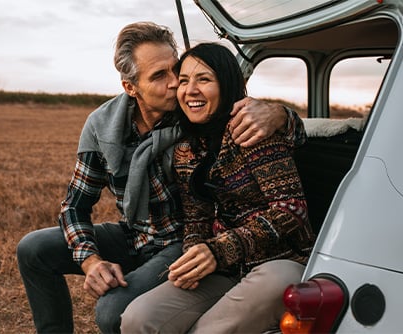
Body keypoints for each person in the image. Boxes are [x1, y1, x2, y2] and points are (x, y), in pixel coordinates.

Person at [16, 23, 304, 334]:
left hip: (177, 240)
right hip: (136, 232)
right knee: (33, 248)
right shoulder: (103, 125)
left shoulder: (194, 112)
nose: (176, 86)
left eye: (175, 71)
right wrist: (91, 261)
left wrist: (281, 115)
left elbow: (253, 123)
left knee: (112, 311)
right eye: (160, 76)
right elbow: (75, 205)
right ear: (130, 87)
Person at [120, 42, 316, 333]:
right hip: (223, 270)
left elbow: (291, 210)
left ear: (227, 84)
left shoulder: (253, 129)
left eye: (204, 79)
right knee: (139, 318)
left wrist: (219, 250)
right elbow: (196, 217)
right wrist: (195, 255)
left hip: (279, 263)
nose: (190, 90)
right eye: (184, 81)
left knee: (217, 324)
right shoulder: (185, 148)